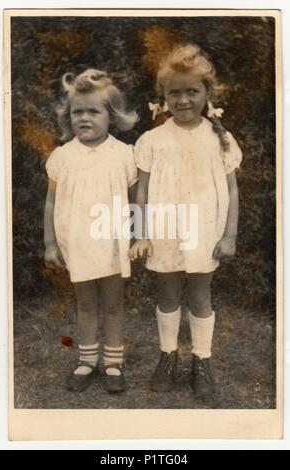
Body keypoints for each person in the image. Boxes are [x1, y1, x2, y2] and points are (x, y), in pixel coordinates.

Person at [130, 44, 242, 399]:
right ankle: (168, 357)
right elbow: (142, 192)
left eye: (192, 91)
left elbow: (232, 192)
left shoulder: (220, 138)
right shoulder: (152, 140)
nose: (183, 100)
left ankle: (202, 361)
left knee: (199, 294)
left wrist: (229, 236)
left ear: (207, 93)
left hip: (205, 229)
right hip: (163, 229)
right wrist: (140, 233)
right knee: (167, 294)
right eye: (174, 92)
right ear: (163, 97)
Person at [44, 69, 138, 393]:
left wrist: (138, 236)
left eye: (93, 111)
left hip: (113, 243)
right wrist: (50, 244)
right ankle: (86, 361)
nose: (84, 118)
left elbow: (136, 200)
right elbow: (51, 201)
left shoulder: (125, 155)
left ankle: (113, 364)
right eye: (77, 112)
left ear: (111, 116)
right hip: (79, 244)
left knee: (113, 304)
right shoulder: (62, 156)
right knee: (85, 304)